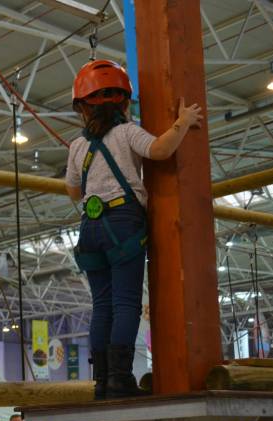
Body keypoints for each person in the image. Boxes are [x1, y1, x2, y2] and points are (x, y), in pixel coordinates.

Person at [64, 60, 202, 399]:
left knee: (103, 305)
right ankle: (120, 380)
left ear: (82, 108)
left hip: (90, 228)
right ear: (124, 103)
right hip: (122, 222)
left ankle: (102, 382)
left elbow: (73, 190)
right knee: (125, 303)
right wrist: (182, 123)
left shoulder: (78, 146)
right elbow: (160, 149)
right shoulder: (127, 132)